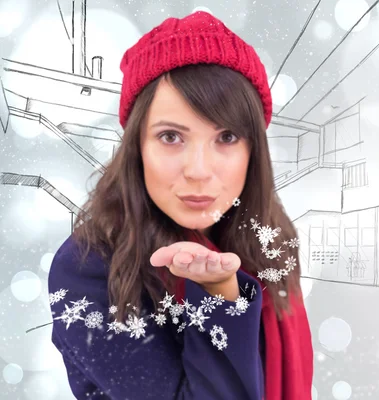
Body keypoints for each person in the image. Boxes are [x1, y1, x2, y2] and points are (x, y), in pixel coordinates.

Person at [47, 11, 313, 400]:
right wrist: (221, 299)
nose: (199, 171)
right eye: (171, 136)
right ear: (137, 147)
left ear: (253, 149)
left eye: (226, 137)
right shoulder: (88, 267)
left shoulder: (269, 240)